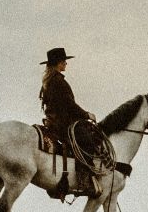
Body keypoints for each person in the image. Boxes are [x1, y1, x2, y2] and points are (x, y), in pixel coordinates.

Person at [39, 47, 105, 197]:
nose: (66, 64)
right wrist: (86, 114)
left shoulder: (50, 80)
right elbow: (69, 104)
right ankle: (84, 182)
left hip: (55, 121)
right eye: (64, 62)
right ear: (58, 64)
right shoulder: (58, 81)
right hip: (63, 123)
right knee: (87, 141)